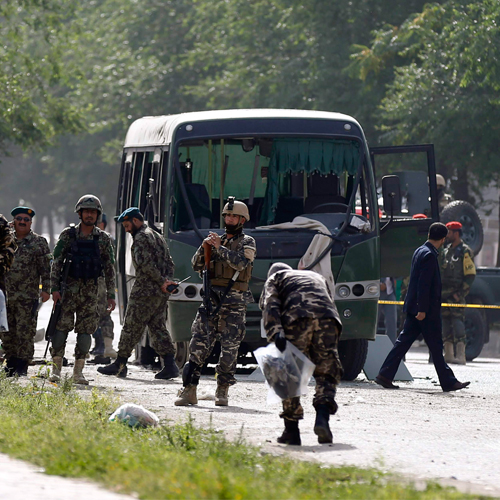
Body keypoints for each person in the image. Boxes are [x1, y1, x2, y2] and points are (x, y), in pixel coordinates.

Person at [175, 197, 256, 407]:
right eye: (227, 215)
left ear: (242, 220)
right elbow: (196, 264)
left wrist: (219, 247)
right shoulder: (216, 241)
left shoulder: (247, 242)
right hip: (211, 300)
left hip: (234, 303)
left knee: (230, 348)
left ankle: (222, 389)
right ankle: (189, 389)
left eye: (234, 216)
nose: (229, 219)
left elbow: (241, 264)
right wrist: (205, 248)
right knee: (198, 345)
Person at [375, 222, 470, 392]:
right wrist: (422, 309)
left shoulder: (420, 250)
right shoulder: (429, 255)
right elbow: (424, 285)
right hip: (425, 310)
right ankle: (448, 381)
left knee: (405, 343)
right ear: (442, 239)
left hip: (416, 307)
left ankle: (385, 374)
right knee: (433, 344)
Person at [259, 262, 343, 446]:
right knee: (326, 370)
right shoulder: (315, 276)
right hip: (328, 319)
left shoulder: (275, 278)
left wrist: (276, 333)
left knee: (288, 373)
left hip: (297, 319)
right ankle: (322, 418)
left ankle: (292, 430)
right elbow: (329, 300)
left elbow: (270, 305)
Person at [98, 207, 179, 379]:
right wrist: (167, 281)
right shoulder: (157, 235)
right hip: (160, 292)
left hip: (145, 290)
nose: (126, 229)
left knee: (131, 325)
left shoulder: (141, 237)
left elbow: (145, 265)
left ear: (135, 221)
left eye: (127, 225)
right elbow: (170, 262)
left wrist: (161, 281)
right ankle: (170, 364)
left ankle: (120, 364)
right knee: (158, 327)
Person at [49, 195, 116, 384]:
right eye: (86, 211)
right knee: (61, 330)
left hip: (91, 292)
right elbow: (56, 263)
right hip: (68, 289)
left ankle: (78, 373)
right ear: (80, 213)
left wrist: (111, 294)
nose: (89, 215)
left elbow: (109, 268)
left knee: (86, 332)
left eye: (93, 212)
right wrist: (54, 288)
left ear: (97, 215)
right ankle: (56, 371)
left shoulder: (103, 239)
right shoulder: (68, 235)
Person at [3, 207, 51, 376]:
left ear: (31, 223)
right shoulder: (5, 240)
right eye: (19, 219)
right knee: (6, 331)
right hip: (6, 296)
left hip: (27, 296)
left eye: (26, 219)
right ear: (13, 221)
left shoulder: (39, 242)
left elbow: (46, 269)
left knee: (25, 331)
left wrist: (46, 290)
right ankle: (10, 361)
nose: (22, 222)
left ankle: (22, 364)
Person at [441, 221, 476, 365]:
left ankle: (461, 355)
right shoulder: (446, 250)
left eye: (449, 232)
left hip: (456, 295)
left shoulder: (465, 251)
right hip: (444, 295)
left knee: (457, 324)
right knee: (445, 324)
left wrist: (460, 294)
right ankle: (448, 354)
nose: (447, 235)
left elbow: (470, 275)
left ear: (456, 233)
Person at [90, 213, 117, 362]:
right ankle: (100, 345)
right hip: (95, 282)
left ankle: (105, 346)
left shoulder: (105, 239)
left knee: (102, 314)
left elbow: (110, 264)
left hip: (101, 282)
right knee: (94, 314)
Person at [379, 277, 397, 343]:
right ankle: (368, 345)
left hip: (390, 292)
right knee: (373, 323)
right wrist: (378, 284)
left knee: (391, 322)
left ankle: (391, 346)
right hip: (376, 292)